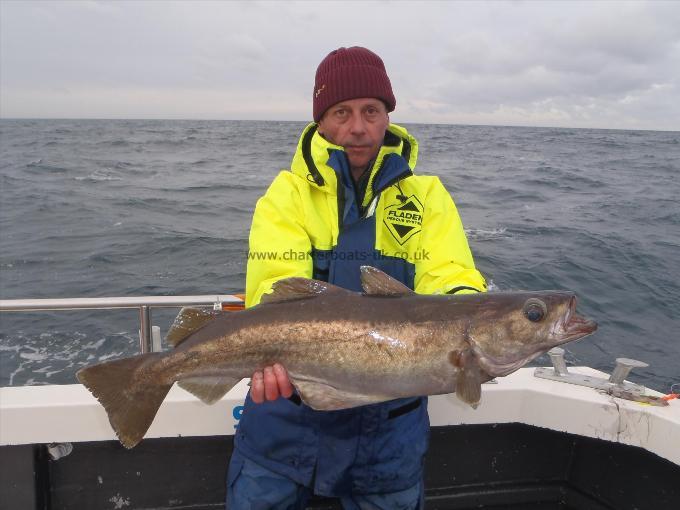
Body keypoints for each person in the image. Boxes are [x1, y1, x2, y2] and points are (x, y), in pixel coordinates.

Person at [227, 46, 486, 509]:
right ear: (321, 121)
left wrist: (478, 323)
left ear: (388, 116)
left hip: (390, 433)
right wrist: (265, 352)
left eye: (371, 110)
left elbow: (451, 274)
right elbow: (276, 282)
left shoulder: (427, 196)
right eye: (341, 112)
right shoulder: (287, 194)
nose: (358, 127)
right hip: (284, 422)